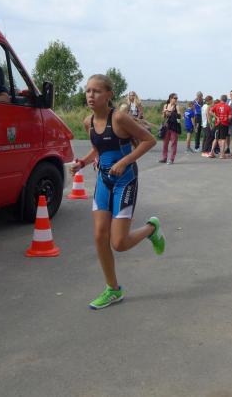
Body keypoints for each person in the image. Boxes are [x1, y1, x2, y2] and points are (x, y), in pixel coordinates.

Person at [70, 74, 165, 310]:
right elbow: (98, 148)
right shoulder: (88, 122)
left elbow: (149, 141)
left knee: (119, 243)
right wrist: (82, 163)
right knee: (99, 236)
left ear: (109, 95)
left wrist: (124, 161)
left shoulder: (120, 118)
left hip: (125, 181)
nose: (91, 95)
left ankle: (151, 228)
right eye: (88, 91)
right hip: (104, 181)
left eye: (96, 91)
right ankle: (113, 289)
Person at [160, 93, 181, 164]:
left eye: (177, 98)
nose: (176, 99)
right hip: (166, 125)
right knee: (165, 143)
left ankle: (171, 159)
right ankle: (164, 158)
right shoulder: (165, 105)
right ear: (170, 98)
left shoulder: (176, 106)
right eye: (175, 98)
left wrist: (172, 113)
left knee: (173, 143)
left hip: (174, 126)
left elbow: (179, 116)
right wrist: (164, 112)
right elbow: (163, 116)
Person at [211, 94, 232, 159]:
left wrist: (216, 117)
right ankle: (222, 154)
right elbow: (230, 117)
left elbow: (210, 111)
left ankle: (211, 152)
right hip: (224, 124)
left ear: (220, 99)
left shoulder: (216, 105)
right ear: (226, 100)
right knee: (223, 139)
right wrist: (226, 119)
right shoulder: (228, 107)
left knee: (216, 138)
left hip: (217, 124)